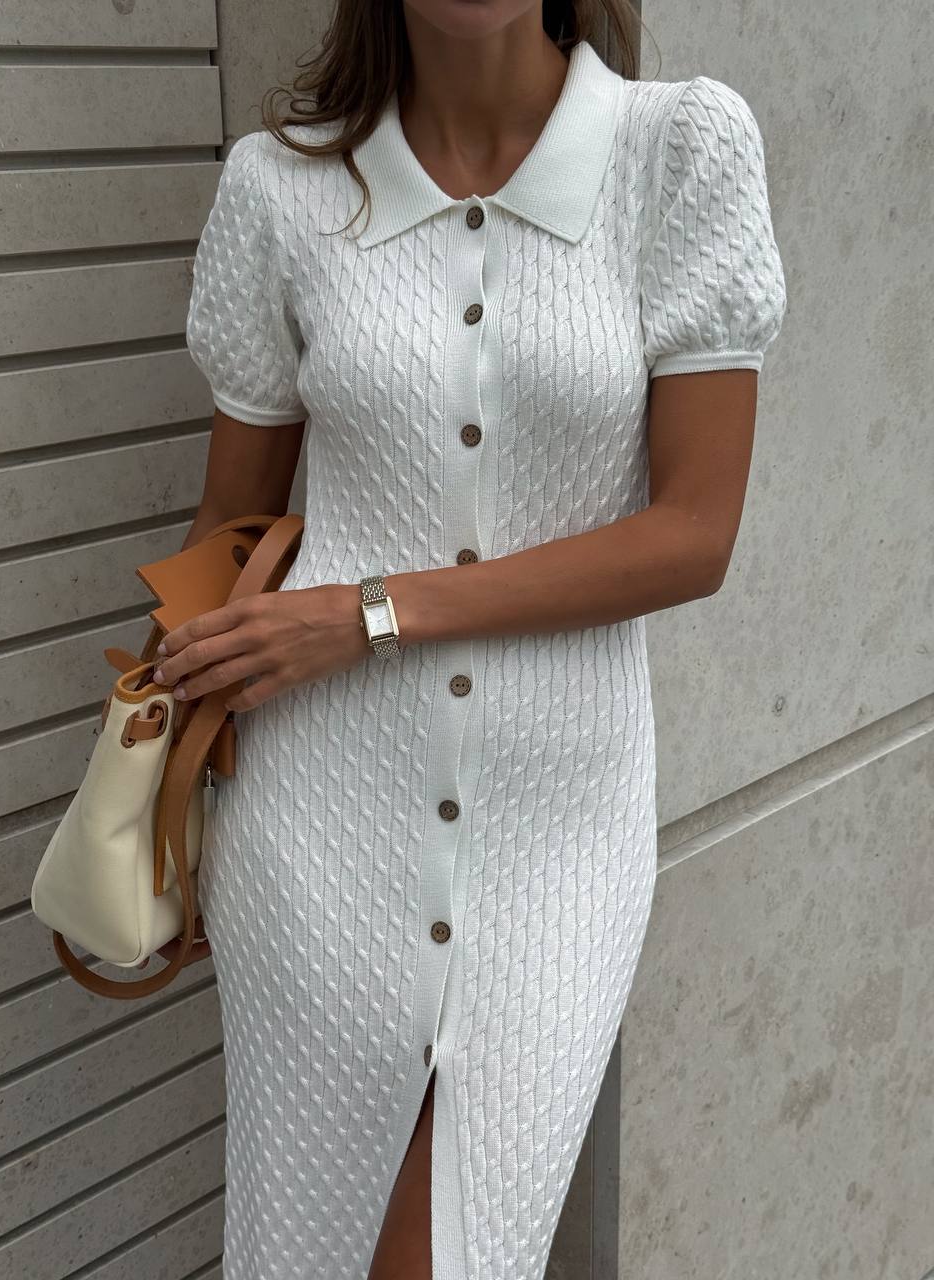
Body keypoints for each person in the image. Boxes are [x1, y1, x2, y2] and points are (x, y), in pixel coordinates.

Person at [151, 1, 787, 1276]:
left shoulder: (679, 152)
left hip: (559, 829)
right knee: (311, 1237)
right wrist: (169, 786)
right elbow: (230, 526)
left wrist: (372, 611)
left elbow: (693, 531)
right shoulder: (282, 189)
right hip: (316, 828)